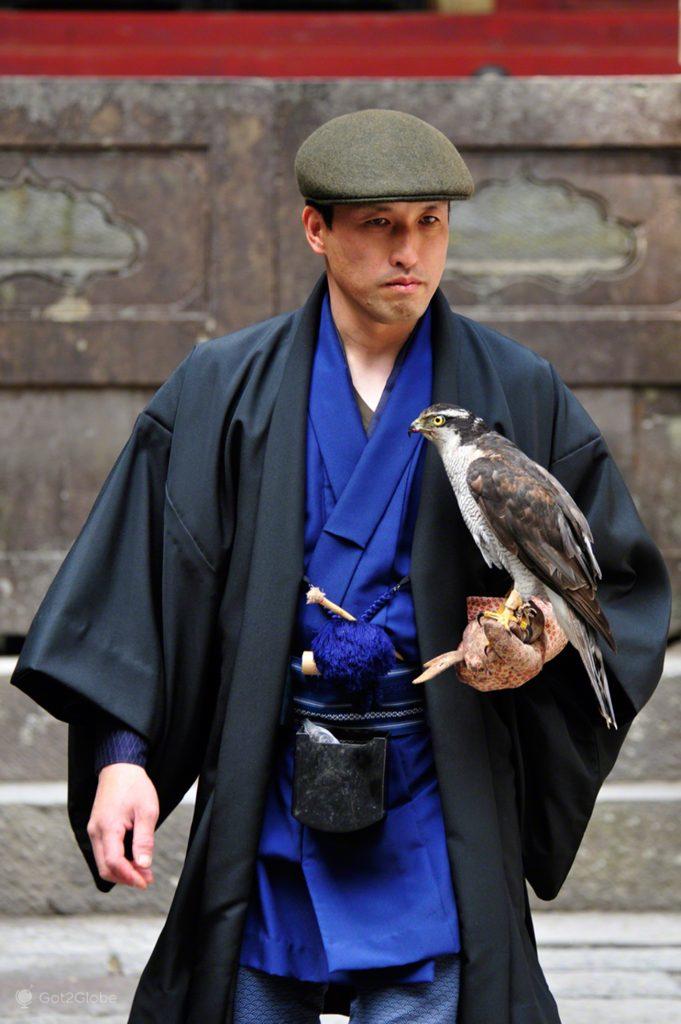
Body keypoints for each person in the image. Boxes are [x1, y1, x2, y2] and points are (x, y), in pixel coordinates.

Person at [9, 109, 671, 1024]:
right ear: (315, 229)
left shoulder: (515, 390)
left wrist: (540, 631)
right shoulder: (220, 388)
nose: (411, 251)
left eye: (430, 223)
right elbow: (140, 586)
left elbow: (616, 582)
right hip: (268, 784)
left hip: (435, 797)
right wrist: (126, 759)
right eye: (380, 225)